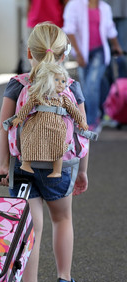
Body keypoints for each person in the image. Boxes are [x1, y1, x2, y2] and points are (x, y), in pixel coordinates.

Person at [0, 22, 88, 282]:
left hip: (22, 164)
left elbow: (3, 128)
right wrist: (82, 171)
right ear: (63, 56)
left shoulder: (18, 84)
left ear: (29, 53)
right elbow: (82, 131)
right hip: (59, 165)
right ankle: (64, 279)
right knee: (61, 219)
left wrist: (2, 166)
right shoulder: (71, 86)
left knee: (30, 227)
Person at [11, 63, 88, 177]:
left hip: (57, 127)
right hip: (36, 125)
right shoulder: (38, 96)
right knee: (28, 139)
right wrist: (20, 117)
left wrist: (81, 121)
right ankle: (26, 163)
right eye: (56, 80)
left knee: (58, 147)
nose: (60, 84)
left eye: (63, 81)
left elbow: (74, 111)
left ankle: (57, 170)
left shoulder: (64, 99)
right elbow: (27, 106)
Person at [63, 0, 123, 131]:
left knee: (92, 86)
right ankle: (97, 114)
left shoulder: (105, 7)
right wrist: (78, 54)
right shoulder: (74, 5)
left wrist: (117, 46)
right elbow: (69, 30)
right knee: (86, 87)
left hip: (100, 52)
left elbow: (110, 29)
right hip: (82, 52)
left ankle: (92, 120)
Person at [19, 0, 69, 73]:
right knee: (31, 54)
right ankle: (29, 77)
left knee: (56, 55)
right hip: (36, 20)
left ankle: (57, 78)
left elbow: (66, 3)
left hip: (55, 22)